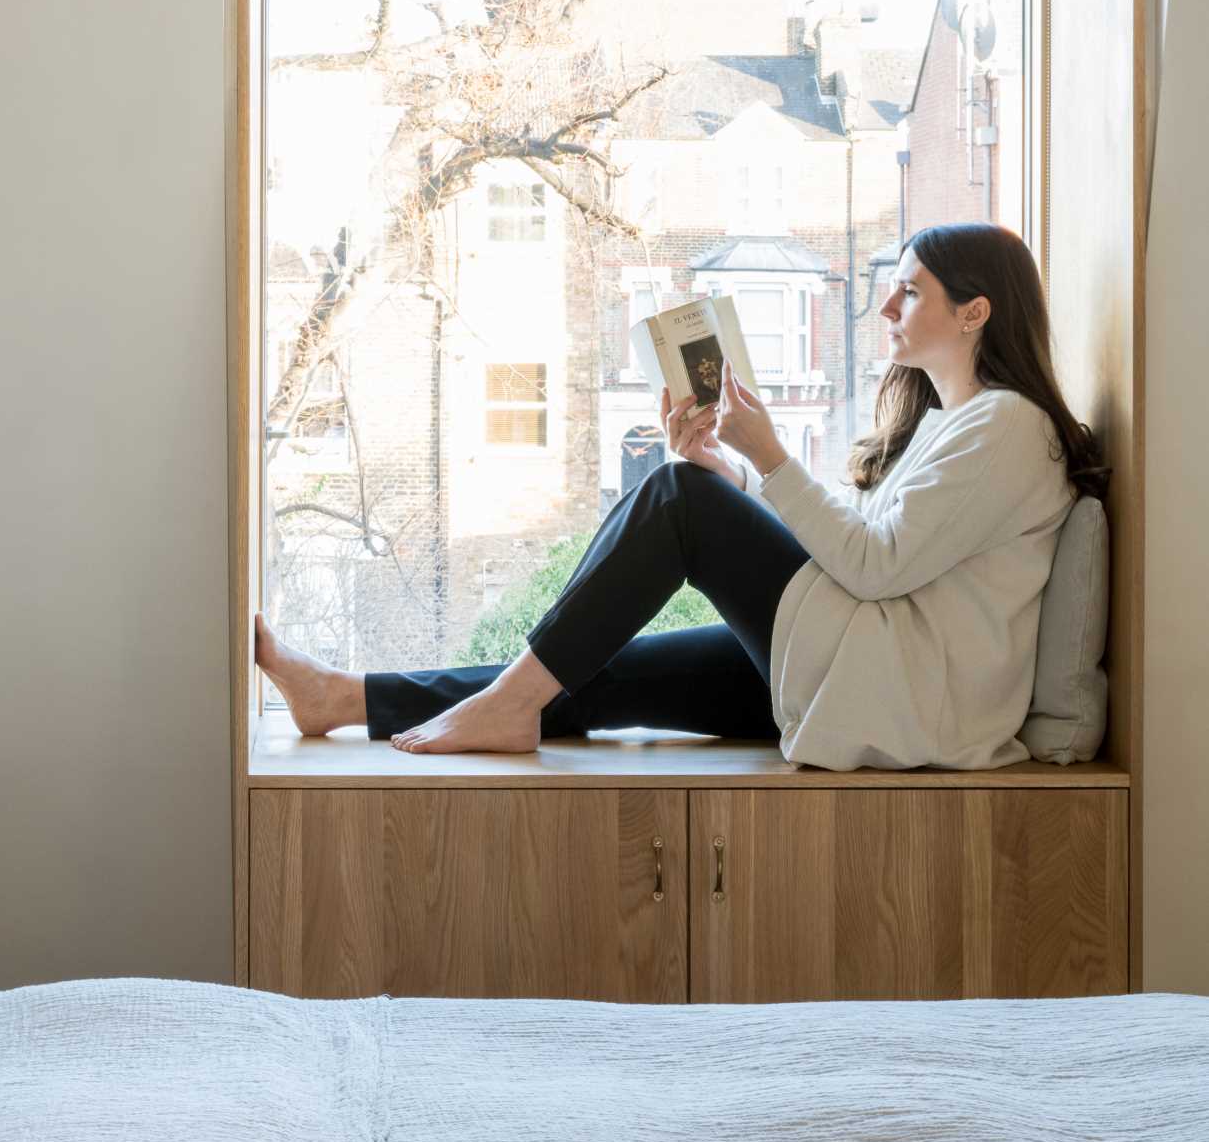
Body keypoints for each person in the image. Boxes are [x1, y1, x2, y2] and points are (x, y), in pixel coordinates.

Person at [255, 221, 1106, 773]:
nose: (886, 302)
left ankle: (506, 705)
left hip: (902, 694)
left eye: (911, 289)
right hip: (870, 671)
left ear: (973, 313)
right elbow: (859, 554)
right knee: (600, 669)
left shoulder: (1004, 428)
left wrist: (761, 457)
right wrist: (733, 473)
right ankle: (346, 698)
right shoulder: (954, 425)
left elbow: (873, 570)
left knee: (674, 499)